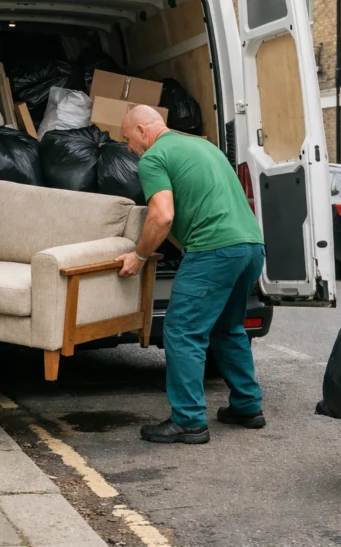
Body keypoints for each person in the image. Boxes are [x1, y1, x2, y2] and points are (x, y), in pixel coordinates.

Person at [117, 105, 266, 445]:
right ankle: (247, 406)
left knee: (182, 331)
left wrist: (139, 256)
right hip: (251, 247)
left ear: (143, 130)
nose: (128, 148)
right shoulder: (204, 145)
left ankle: (188, 420)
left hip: (213, 251)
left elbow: (163, 216)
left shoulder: (153, 158)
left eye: (127, 139)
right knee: (228, 329)